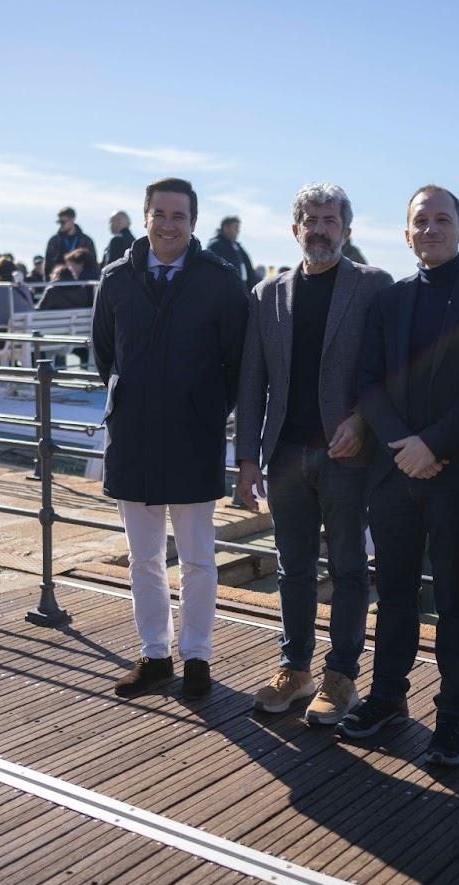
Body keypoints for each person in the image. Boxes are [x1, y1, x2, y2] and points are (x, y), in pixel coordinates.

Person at [339, 185, 459, 765]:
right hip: (393, 475)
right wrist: (400, 444)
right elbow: (368, 381)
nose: (432, 229)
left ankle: (454, 714)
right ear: (406, 231)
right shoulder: (388, 301)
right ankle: (388, 698)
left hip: (457, 474)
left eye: (443, 220)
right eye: (421, 220)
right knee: (393, 595)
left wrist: (432, 444)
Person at [235, 183, 393, 725]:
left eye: (330, 220)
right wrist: (247, 458)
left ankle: (342, 677)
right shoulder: (266, 294)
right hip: (284, 455)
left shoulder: (372, 286)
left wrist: (363, 423)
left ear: (346, 229)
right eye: (310, 219)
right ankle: (294, 668)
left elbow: (390, 371)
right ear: (294, 227)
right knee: (292, 568)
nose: (320, 228)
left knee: (349, 568)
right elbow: (252, 382)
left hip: (345, 453)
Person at [93, 177, 248, 701]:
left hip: (193, 437)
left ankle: (198, 656)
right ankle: (154, 655)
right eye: (159, 213)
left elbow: (237, 361)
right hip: (134, 437)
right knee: (144, 558)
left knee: (200, 558)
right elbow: (104, 355)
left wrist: (204, 409)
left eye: (178, 215)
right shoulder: (115, 279)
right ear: (144, 217)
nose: (167, 224)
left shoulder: (220, 281)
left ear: (193, 223)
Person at [207, 216, 257, 290]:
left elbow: (249, 269)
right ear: (226, 228)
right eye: (235, 228)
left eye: (238, 228)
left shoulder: (238, 247)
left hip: (242, 288)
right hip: (225, 291)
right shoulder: (216, 246)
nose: (238, 231)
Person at [45, 206, 97, 273]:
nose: (61, 225)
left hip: (82, 281)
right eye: (59, 223)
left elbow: (93, 265)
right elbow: (48, 266)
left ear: (72, 219)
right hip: (60, 281)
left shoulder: (86, 240)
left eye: (63, 222)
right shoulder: (54, 241)